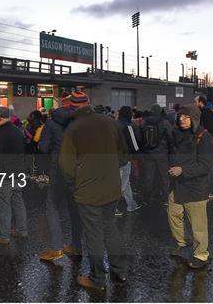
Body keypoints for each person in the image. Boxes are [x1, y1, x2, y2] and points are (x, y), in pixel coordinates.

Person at [59, 96, 128, 291]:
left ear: (72, 107)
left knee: (94, 235)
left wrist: (75, 184)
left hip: (87, 191)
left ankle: (97, 278)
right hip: (111, 187)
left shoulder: (72, 129)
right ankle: (120, 270)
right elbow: (123, 154)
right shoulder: (110, 122)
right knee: (110, 229)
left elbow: (66, 165)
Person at [168, 105, 213, 269]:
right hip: (177, 185)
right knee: (173, 214)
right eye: (180, 116)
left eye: (186, 116)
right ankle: (183, 243)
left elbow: (205, 165)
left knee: (198, 225)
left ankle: (201, 255)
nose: (181, 119)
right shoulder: (178, 134)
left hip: (195, 187)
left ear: (194, 118)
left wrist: (183, 170)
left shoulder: (204, 137)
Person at [37, 91, 83, 261]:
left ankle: (56, 249)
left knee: (53, 206)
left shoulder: (51, 122)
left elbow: (43, 147)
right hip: (78, 169)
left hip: (58, 168)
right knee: (75, 208)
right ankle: (76, 246)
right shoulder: (80, 122)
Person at [0, 107, 28, 244]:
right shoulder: (17, 131)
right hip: (18, 173)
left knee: (3, 205)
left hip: (4, 176)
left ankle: (3, 236)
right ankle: (22, 230)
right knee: (18, 202)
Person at [140, 104, 174, 205]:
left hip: (148, 154)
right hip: (162, 154)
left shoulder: (144, 122)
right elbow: (170, 138)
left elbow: (141, 137)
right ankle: (165, 199)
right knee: (164, 176)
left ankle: (147, 198)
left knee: (148, 177)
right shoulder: (165, 122)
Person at [115, 106, 142, 216]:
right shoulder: (128, 126)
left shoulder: (113, 124)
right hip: (124, 159)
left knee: (126, 184)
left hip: (112, 158)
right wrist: (139, 157)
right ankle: (113, 208)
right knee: (122, 184)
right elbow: (134, 146)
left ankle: (131, 204)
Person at [194, 96, 213, 198]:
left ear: (200, 102)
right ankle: (207, 189)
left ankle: (212, 191)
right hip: (207, 144)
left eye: (195, 102)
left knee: (210, 167)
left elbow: (208, 130)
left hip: (208, 145)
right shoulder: (205, 113)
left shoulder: (206, 113)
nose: (194, 103)